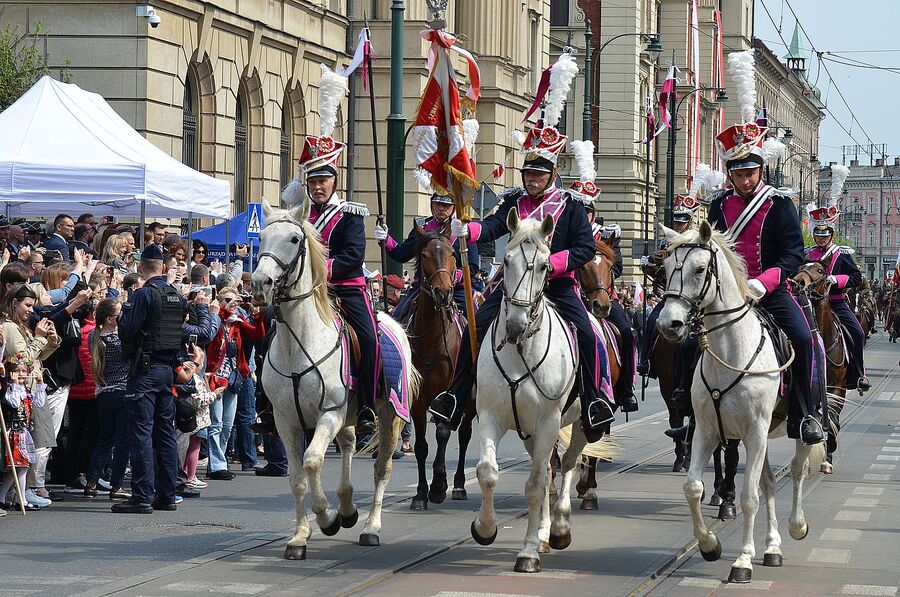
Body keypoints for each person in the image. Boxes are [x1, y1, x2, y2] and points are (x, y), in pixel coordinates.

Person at [429, 116, 616, 442]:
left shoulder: (570, 206)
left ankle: (592, 403)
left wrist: (551, 264)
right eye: (528, 173)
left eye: (539, 174)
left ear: (551, 175)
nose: (532, 179)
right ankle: (456, 396)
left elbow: (585, 248)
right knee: (477, 327)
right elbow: (492, 227)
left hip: (557, 284)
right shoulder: (515, 202)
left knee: (588, 335)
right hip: (513, 284)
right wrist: (468, 229)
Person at [707, 120, 824, 445]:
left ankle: (804, 414)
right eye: (739, 174)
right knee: (690, 342)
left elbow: (792, 253)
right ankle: (693, 412)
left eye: (750, 173)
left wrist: (765, 282)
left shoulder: (780, 204)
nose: (745, 180)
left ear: (761, 170)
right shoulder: (718, 204)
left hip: (770, 292)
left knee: (803, 339)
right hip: (728, 295)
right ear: (730, 174)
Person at [281, 81, 378, 435]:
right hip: (305, 293)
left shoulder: (350, 213)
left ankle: (367, 403)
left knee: (368, 338)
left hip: (344, 289)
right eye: (313, 180)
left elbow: (353, 257)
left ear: (334, 181)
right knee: (272, 334)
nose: (318, 186)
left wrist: (317, 275)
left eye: (324, 179)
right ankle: (268, 404)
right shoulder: (297, 216)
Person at [112, 244, 186, 513]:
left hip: (145, 372)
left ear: (141, 268)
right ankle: (166, 494)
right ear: (163, 268)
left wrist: (125, 312)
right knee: (165, 434)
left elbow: (127, 332)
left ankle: (142, 495)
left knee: (141, 433)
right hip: (167, 371)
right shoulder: (176, 296)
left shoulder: (144, 295)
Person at [572, 142, 639, 414]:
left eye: (587, 211)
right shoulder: (563, 234)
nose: (583, 215)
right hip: (573, 296)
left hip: (601, 297)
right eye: (579, 210)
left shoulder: (606, 235)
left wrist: (605, 261)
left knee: (626, 332)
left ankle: (626, 390)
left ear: (593, 213)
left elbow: (619, 267)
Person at [376, 192, 479, 322]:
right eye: (438, 204)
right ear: (432, 206)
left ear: (453, 208)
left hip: (456, 288)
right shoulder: (422, 226)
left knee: (476, 324)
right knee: (397, 320)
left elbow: (474, 266)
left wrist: (450, 276)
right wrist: (385, 239)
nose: (441, 208)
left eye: (446, 205)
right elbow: (401, 254)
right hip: (422, 287)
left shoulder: (462, 229)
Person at [1, 284, 62, 506]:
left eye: (32, 306)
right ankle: (20, 492)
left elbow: (37, 357)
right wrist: (38, 337)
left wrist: (50, 340)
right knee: (24, 445)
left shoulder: (22, 327)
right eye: (27, 305)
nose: (30, 310)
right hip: (20, 389)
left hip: (33, 388)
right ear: (14, 303)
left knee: (33, 443)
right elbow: (21, 359)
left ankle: (21, 491)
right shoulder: (8, 327)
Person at [637, 195, 700, 405]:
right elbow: (657, 273)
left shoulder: (694, 240)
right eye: (676, 221)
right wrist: (648, 265)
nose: (679, 225)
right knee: (651, 321)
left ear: (689, 222)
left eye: (683, 221)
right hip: (669, 294)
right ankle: (645, 360)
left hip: (691, 298)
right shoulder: (666, 241)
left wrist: (662, 257)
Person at [203, 287, 265, 479]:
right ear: (219, 301)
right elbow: (209, 337)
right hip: (215, 377)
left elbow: (256, 334)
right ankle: (217, 466)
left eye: (235, 300)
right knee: (216, 424)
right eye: (228, 300)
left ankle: (218, 462)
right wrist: (222, 310)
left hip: (233, 377)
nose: (232, 303)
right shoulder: (214, 319)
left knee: (228, 425)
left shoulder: (237, 322)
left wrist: (257, 316)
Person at [806, 207, 869, 392]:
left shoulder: (841, 254)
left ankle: (857, 374)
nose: (821, 239)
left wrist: (838, 280)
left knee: (857, 333)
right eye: (818, 235)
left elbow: (856, 277)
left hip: (835, 301)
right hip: (810, 303)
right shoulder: (808, 254)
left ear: (831, 235)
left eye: (825, 236)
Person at [85, 298, 131, 499]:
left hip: (104, 393)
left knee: (104, 441)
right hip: (122, 392)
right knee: (122, 442)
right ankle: (116, 486)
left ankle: (91, 482)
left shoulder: (94, 338)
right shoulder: (118, 341)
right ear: (110, 319)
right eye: (119, 315)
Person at [1, 354, 48, 511]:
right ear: (10, 373)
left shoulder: (26, 390)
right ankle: (21, 500)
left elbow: (39, 403)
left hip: (24, 432)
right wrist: (13, 384)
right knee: (21, 466)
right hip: (13, 432)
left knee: (18, 467)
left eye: (23, 370)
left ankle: (2, 497)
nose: (21, 374)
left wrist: (40, 383)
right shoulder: (9, 389)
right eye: (17, 371)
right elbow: (14, 403)